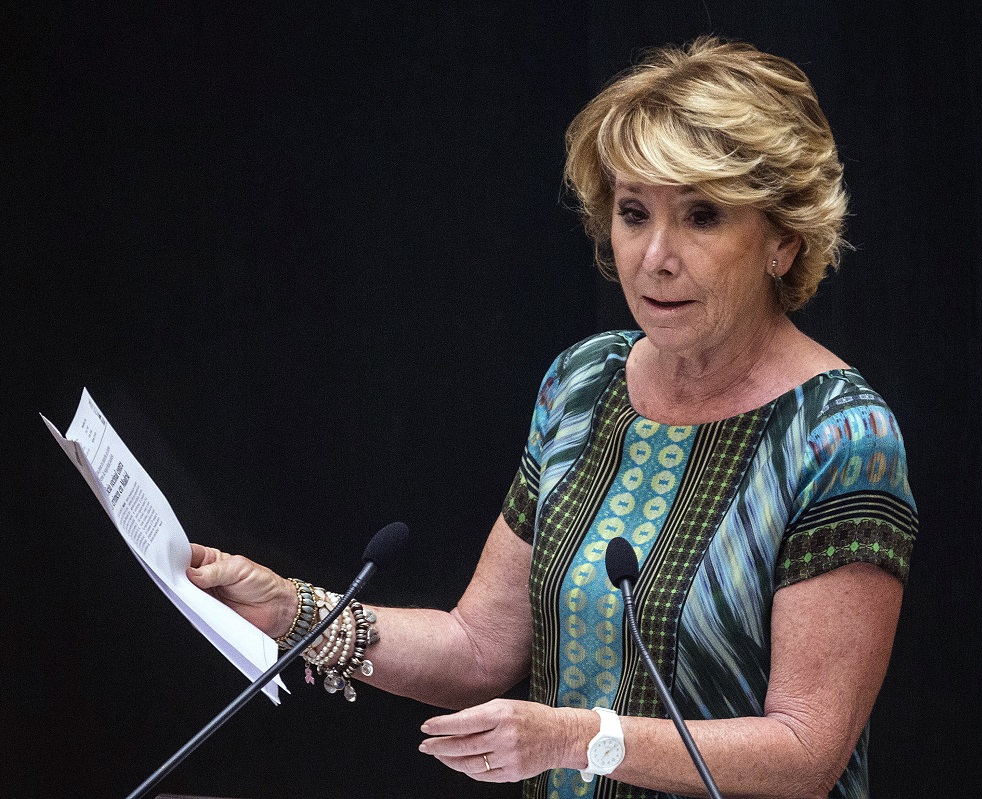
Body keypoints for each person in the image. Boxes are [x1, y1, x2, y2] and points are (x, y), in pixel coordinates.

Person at [187, 36, 917, 799]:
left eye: (702, 216)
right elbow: (478, 649)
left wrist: (579, 737)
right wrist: (291, 610)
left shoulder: (840, 435)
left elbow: (806, 752)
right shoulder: (584, 383)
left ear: (783, 239)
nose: (655, 255)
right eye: (634, 213)